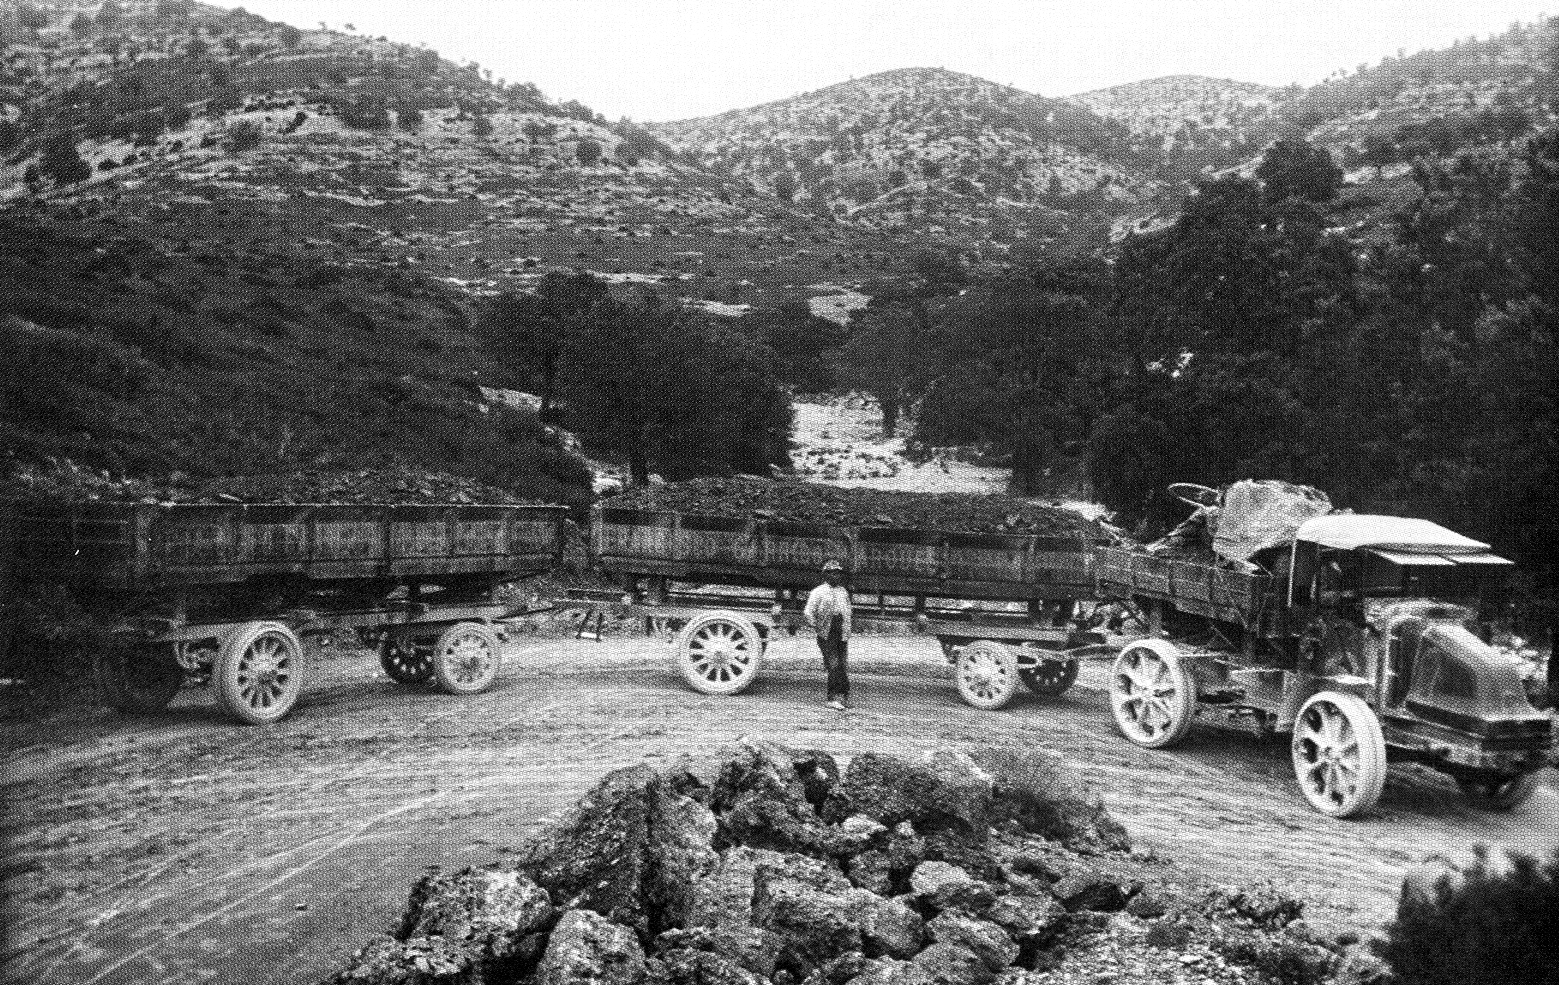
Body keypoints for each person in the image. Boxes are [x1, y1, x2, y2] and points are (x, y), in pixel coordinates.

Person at [804, 560, 852, 710]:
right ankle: (832, 698)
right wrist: (816, 625)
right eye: (831, 572)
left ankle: (843, 697)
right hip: (826, 633)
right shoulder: (818, 592)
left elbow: (848, 611)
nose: (835, 576)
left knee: (842, 665)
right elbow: (808, 612)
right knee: (833, 664)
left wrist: (847, 629)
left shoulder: (843, 591)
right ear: (825, 575)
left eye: (837, 573)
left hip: (841, 632)